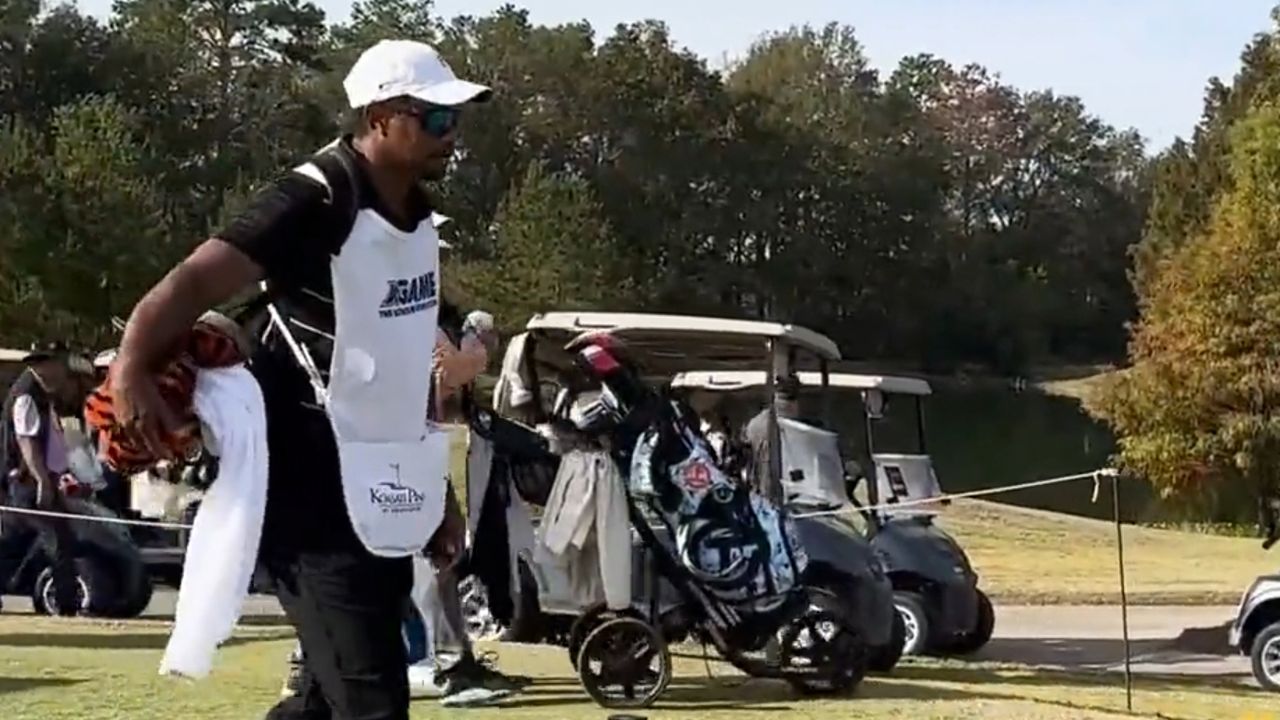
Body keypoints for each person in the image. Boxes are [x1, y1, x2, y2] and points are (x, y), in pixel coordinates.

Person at [109, 39, 491, 720]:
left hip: (374, 483)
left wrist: (434, 496)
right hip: (306, 489)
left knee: (323, 696)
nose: (451, 135)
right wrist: (131, 366)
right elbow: (197, 277)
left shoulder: (416, 219)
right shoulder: (316, 195)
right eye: (435, 119)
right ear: (379, 117)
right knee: (369, 698)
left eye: (454, 119)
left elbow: (399, 369)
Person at [0, 343, 84, 615]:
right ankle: (67, 604)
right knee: (57, 537)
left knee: (14, 542)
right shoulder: (26, 396)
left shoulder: (43, 394)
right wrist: (43, 482)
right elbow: (27, 442)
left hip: (28, 481)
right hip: (28, 481)